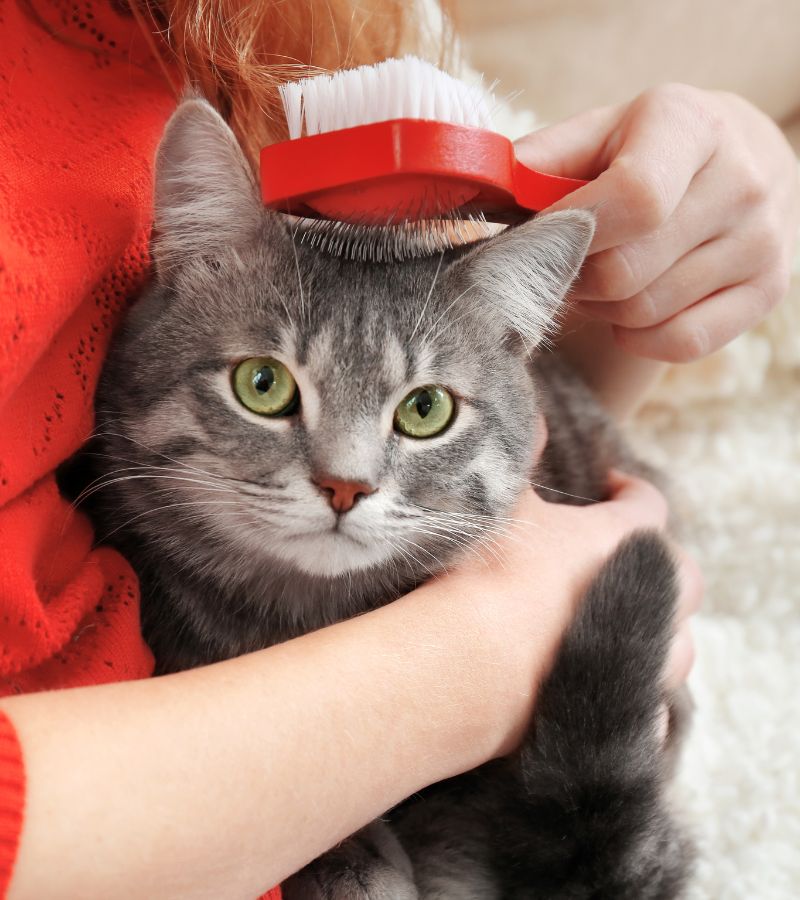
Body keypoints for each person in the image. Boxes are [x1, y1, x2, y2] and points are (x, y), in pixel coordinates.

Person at [0, 1, 795, 898]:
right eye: (268, 388)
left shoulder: (282, 28)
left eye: (416, 412)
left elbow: (525, 409)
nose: (345, 480)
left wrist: (672, 248)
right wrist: (471, 665)